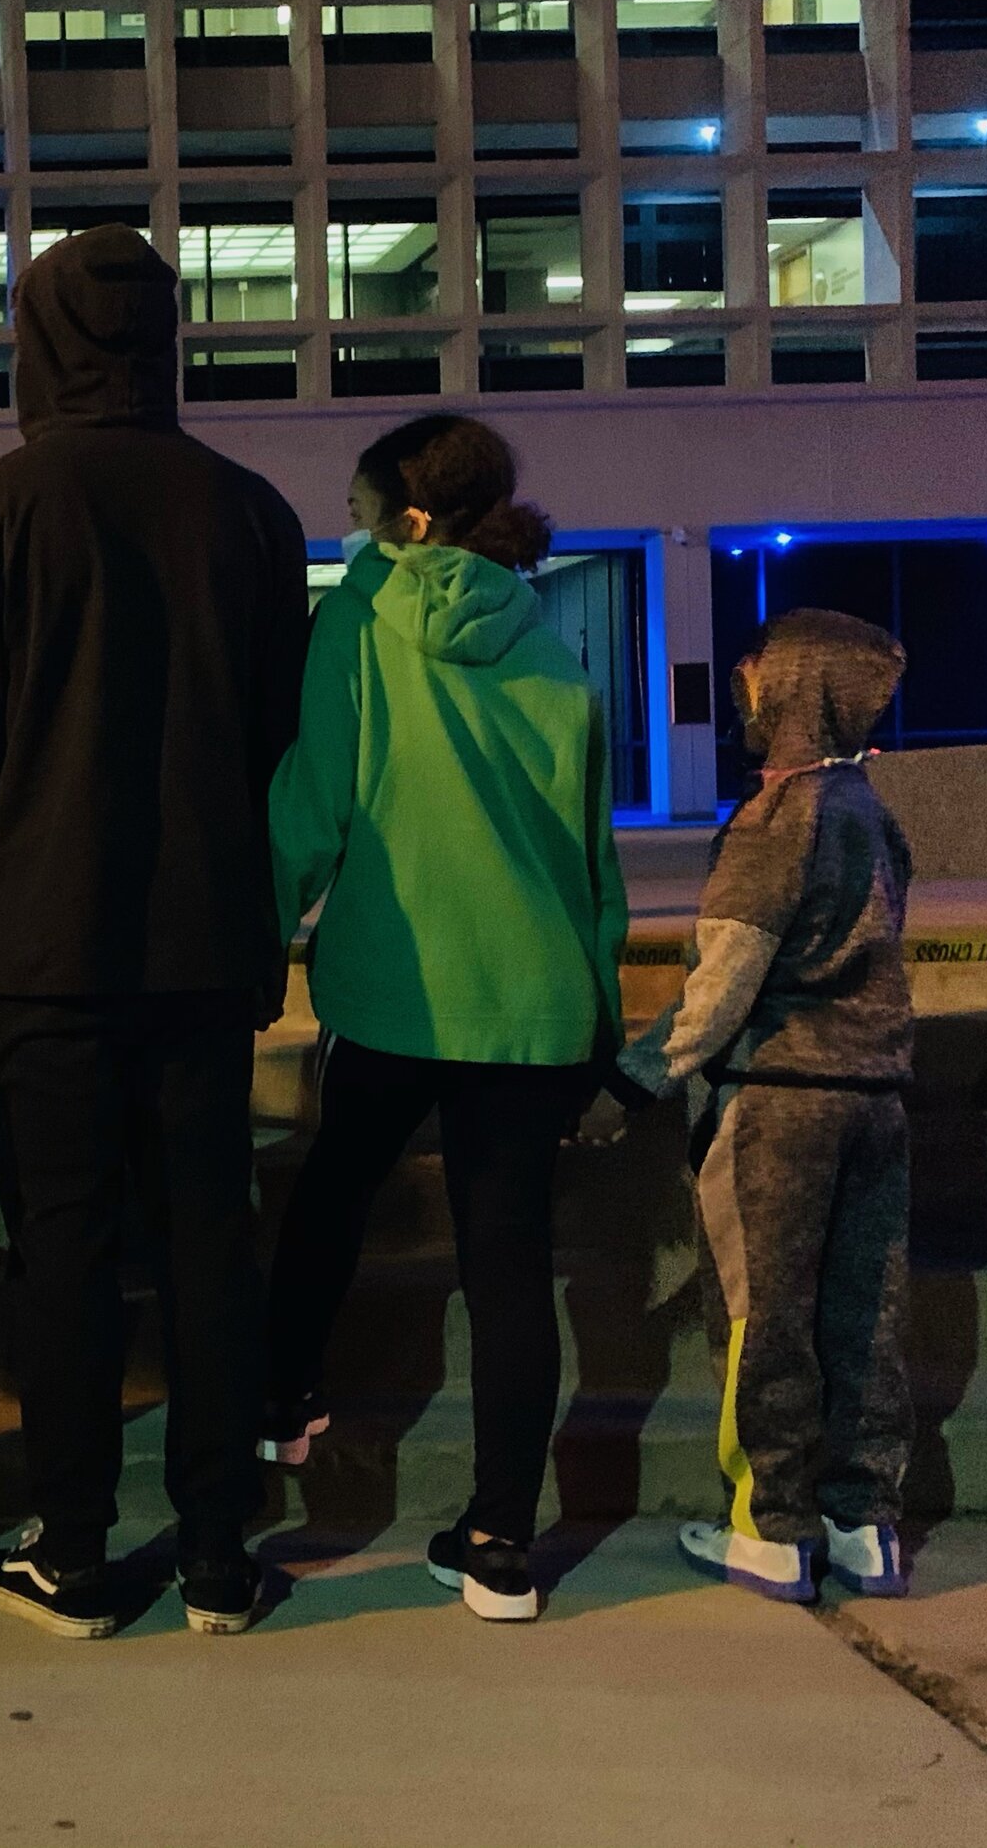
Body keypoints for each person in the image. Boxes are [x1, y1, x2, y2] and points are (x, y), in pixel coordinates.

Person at [0, 225, 312, 1639]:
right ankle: (217, 1549)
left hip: (45, 946)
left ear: (35, 341)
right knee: (213, 1241)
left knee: (64, 1249)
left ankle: (72, 1546)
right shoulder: (252, 513)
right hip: (207, 938)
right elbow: (282, 740)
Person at [265, 414, 627, 1623]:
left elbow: (313, 800)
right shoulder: (549, 640)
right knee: (508, 1265)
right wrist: (599, 1015)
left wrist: (259, 934)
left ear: (410, 522)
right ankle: (500, 1546)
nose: (351, 529)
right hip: (532, 1003)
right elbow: (591, 853)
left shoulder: (360, 623)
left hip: (400, 984)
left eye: (363, 514)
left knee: (332, 1188)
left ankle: (282, 1404)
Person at [593, 611, 915, 1603]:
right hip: (877, 1096)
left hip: (779, 1104)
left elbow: (722, 985)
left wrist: (629, 1084)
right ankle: (866, 1526)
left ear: (788, 689)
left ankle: (770, 1529)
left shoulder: (777, 820)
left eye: (753, 677)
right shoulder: (869, 809)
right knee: (866, 1315)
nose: (742, 692)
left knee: (758, 1318)